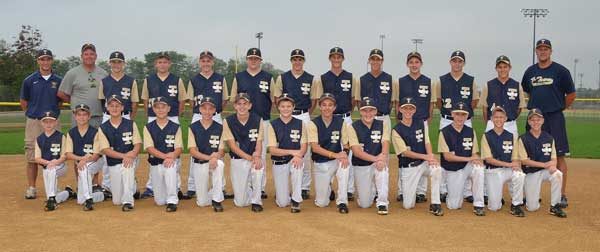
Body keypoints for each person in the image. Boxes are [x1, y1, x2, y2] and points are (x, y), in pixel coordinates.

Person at [521, 39, 576, 208]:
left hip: (554, 118)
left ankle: (561, 194)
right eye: (540, 49)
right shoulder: (530, 71)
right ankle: (531, 193)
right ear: (536, 52)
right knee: (529, 154)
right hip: (535, 118)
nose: (543, 51)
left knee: (558, 155)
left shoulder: (561, 71)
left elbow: (571, 94)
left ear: (550, 51)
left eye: (546, 49)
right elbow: (526, 90)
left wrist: (558, 108)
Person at [313, 46, 360, 201]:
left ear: (342, 59)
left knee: (348, 152)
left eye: (339, 57)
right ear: (330, 58)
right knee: (329, 149)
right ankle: (329, 186)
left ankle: (348, 189)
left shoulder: (350, 77)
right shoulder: (323, 77)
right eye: (334, 57)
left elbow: (353, 99)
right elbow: (320, 99)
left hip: (345, 118)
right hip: (329, 117)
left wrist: (347, 111)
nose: (336, 59)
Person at [273, 49, 319, 200]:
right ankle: (284, 184)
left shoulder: (311, 78)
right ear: (291, 61)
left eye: (300, 59)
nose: (297, 62)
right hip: (286, 114)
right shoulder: (283, 77)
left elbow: (313, 101)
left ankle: (304, 186)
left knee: (304, 152)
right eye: (295, 59)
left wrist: (305, 113)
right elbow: (276, 98)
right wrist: (285, 112)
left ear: (303, 61)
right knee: (284, 146)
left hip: (304, 115)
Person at [140, 52, 187, 199]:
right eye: (160, 62)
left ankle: (176, 186)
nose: (162, 65)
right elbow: (146, 100)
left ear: (169, 64)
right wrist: (150, 114)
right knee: (153, 153)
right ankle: (151, 186)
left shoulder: (177, 80)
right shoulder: (149, 80)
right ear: (156, 64)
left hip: (172, 116)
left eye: (165, 62)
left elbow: (181, 101)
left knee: (174, 152)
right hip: (153, 116)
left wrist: (175, 116)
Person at [229, 48, 275, 199]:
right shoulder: (239, 77)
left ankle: (259, 187)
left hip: (262, 120)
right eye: (251, 58)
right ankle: (246, 184)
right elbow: (233, 99)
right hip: (243, 121)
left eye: (256, 58)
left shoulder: (268, 77)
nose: (253, 61)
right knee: (244, 151)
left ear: (260, 60)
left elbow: (274, 99)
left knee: (259, 153)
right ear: (247, 60)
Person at [20, 49, 63, 199]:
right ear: (38, 61)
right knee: (32, 155)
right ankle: (32, 187)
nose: (45, 62)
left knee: (54, 154)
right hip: (34, 120)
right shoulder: (30, 80)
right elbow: (24, 102)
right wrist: (33, 114)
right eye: (42, 59)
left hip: (53, 122)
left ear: (52, 61)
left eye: (48, 59)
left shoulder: (58, 80)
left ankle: (53, 187)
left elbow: (60, 101)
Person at [394, 51, 435, 203]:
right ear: (407, 64)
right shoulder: (401, 81)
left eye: (416, 62)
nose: (414, 65)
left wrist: (428, 119)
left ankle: (421, 191)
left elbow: (431, 103)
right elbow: (397, 102)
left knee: (422, 152)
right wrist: (399, 119)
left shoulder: (428, 81)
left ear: (421, 64)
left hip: (421, 120)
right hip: (404, 121)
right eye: (411, 62)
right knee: (403, 155)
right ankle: (401, 189)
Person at [392, 97, 443, 216]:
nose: (408, 111)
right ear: (400, 109)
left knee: (437, 169)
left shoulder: (420, 122)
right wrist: (426, 157)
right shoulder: (396, 130)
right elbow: (405, 152)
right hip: (409, 167)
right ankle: (409, 193)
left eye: (411, 108)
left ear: (414, 110)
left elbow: (427, 141)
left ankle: (435, 203)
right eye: (405, 108)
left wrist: (430, 156)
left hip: (423, 163)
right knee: (408, 205)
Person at [98, 51, 140, 196]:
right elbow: (102, 101)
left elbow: (134, 103)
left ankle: (131, 182)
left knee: (129, 147)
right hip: (108, 115)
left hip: (125, 115)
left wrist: (130, 119)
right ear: (109, 63)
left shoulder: (131, 81)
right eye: (113, 62)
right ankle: (107, 185)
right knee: (106, 151)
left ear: (124, 64)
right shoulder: (104, 81)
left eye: (119, 62)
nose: (116, 64)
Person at [517, 108, 567, 218]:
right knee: (532, 208)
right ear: (529, 122)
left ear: (543, 121)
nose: (535, 122)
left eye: (538, 119)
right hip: (531, 173)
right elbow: (524, 161)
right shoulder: (523, 139)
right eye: (533, 120)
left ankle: (555, 206)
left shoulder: (549, 138)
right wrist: (545, 165)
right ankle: (532, 197)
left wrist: (553, 165)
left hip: (545, 171)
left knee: (558, 174)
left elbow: (554, 158)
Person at [438, 102, 485, 216]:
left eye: (463, 115)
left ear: (467, 116)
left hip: (467, 166)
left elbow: (474, 154)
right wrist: (469, 158)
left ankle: (479, 204)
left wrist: (475, 159)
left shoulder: (470, 131)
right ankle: (448, 191)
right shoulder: (444, 132)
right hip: (453, 169)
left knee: (479, 169)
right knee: (454, 206)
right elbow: (448, 157)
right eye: (457, 114)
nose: (460, 117)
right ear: (452, 115)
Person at [97, 95, 141, 211]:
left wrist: (130, 155)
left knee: (127, 167)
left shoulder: (131, 124)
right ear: (107, 108)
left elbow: (137, 145)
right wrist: (124, 156)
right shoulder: (103, 127)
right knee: (116, 200)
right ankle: (134, 187)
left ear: (122, 108)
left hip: (131, 159)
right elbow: (105, 150)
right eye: (111, 106)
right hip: (114, 162)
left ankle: (128, 202)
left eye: (117, 106)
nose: (114, 108)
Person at [222, 93, 265, 212]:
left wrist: (257, 156)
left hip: (253, 158)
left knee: (258, 168)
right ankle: (249, 189)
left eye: (245, 104)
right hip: (238, 159)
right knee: (240, 203)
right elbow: (232, 146)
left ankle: (256, 201)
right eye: (239, 104)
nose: (242, 106)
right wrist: (251, 158)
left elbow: (259, 142)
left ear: (250, 105)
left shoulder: (257, 120)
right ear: (235, 106)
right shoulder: (228, 121)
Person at [308, 93, 351, 213]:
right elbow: (315, 148)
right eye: (324, 105)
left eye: (330, 105)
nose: (327, 108)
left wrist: (344, 154)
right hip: (321, 162)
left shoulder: (341, 122)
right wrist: (336, 155)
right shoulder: (313, 124)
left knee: (345, 165)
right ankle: (328, 188)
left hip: (337, 161)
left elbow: (346, 144)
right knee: (322, 203)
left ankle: (342, 202)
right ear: (320, 107)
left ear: (334, 107)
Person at [480, 106, 526, 217]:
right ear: (491, 119)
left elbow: (515, 157)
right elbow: (488, 159)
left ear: (505, 118)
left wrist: (515, 165)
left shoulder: (511, 136)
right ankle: (497, 197)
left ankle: (516, 205)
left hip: (508, 170)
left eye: (501, 117)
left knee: (519, 174)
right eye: (496, 117)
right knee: (494, 207)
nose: (499, 119)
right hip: (493, 172)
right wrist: (510, 164)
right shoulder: (486, 136)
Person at [347, 97, 390, 215]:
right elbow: (356, 152)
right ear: (360, 111)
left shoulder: (383, 124)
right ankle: (371, 188)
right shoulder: (352, 127)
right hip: (361, 165)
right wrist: (377, 158)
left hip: (378, 163)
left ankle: (382, 203)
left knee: (383, 169)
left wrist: (382, 157)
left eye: (371, 110)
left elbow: (385, 143)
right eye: (365, 110)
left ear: (376, 111)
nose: (368, 113)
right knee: (364, 204)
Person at [267, 94, 308, 213]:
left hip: (294, 160)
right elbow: (272, 150)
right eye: (283, 106)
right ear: (278, 107)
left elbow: (304, 147)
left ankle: (296, 200)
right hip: (279, 162)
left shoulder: (300, 124)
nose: (286, 109)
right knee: (282, 203)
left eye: (289, 106)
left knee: (298, 164)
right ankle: (283, 194)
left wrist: (297, 155)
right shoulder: (273, 124)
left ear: (293, 107)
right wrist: (293, 152)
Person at [143, 97, 183, 212]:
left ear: (169, 108)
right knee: (160, 201)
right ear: (153, 109)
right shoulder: (148, 127)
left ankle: (172, 200)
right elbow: (149, 148)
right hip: (156, 163)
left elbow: (179, 148)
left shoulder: (175, 127)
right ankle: (173, 189)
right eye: (157, 107)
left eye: (163, 107)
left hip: (171, 162)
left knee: (170, 166)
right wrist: (166, 156)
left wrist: (171, 157)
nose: (160, 110)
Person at [64, 104, 107, 211]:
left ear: (89, 116)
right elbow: (68, 154)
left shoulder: (95, 132)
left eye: (84, 114)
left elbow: (96, 156)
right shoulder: (71, 133)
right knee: (80, 200)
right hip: (82, 162)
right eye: (79, 114)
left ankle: (89, 200)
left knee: (84, 168)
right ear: (75, 116)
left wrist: (83, 160)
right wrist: (82, 159)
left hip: (96, 162)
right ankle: (102, 195)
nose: (82, 117)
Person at [188, 96, 226, 212]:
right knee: (202, 202)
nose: (207, 111)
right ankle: (215, 193)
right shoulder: (193, 127)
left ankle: (217, 199)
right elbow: (193, 151)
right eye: (204, 108)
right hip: (200, 163)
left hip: (214, 163)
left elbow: (222, 151)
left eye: (211, 109)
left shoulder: (220, 128)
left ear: (215, 110)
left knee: (219, 165)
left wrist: (215, 157)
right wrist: (210, 157)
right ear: (200, 109)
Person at [58, 43, 108, 128]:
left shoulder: (103, 74)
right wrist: (74, 103)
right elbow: (61, 93)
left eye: (92, 54)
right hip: (79, 118)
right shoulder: (72, 73)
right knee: (78, 141)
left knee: (97, 141)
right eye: (86, 54)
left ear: (96, 56)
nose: (89, 56)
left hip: (97, 117)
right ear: (82, 56)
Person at [34, 111, 76, 211]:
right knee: (50, 193)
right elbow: (37, 158)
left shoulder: (61, 136)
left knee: (51, 170)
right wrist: (48, 163)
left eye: (51, 121)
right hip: (47, 167)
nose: (48, 124)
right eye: (46, 122)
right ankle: (67, 193)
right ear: (42, 123)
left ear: (56, 122)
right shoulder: (39, 139)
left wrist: (54, 163)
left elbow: (64, 156)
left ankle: (52, 199)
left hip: (60, 166)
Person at [480, 55, 525, 135]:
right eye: (500, 67)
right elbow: (484, 109)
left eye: (505, 67)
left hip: (510, 124)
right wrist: (489, 123)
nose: (502, 69)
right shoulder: (488, 85)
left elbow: (519, 108)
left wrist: (511, 118)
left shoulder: (517, 85)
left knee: (512, 147)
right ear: (496, 68)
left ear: (510, 68)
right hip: (492, 123)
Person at [356, 48, 397, 128]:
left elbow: (391, 102)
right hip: (366, 119)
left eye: (378, 59)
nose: (375, 62)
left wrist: (384, 113)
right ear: (369, 60)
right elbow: (358, 102)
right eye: (373, 59)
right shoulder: (362, 79)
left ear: (382, 61)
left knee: (385, 141)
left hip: (384, 118)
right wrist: (365, 116)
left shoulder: (390, 79)